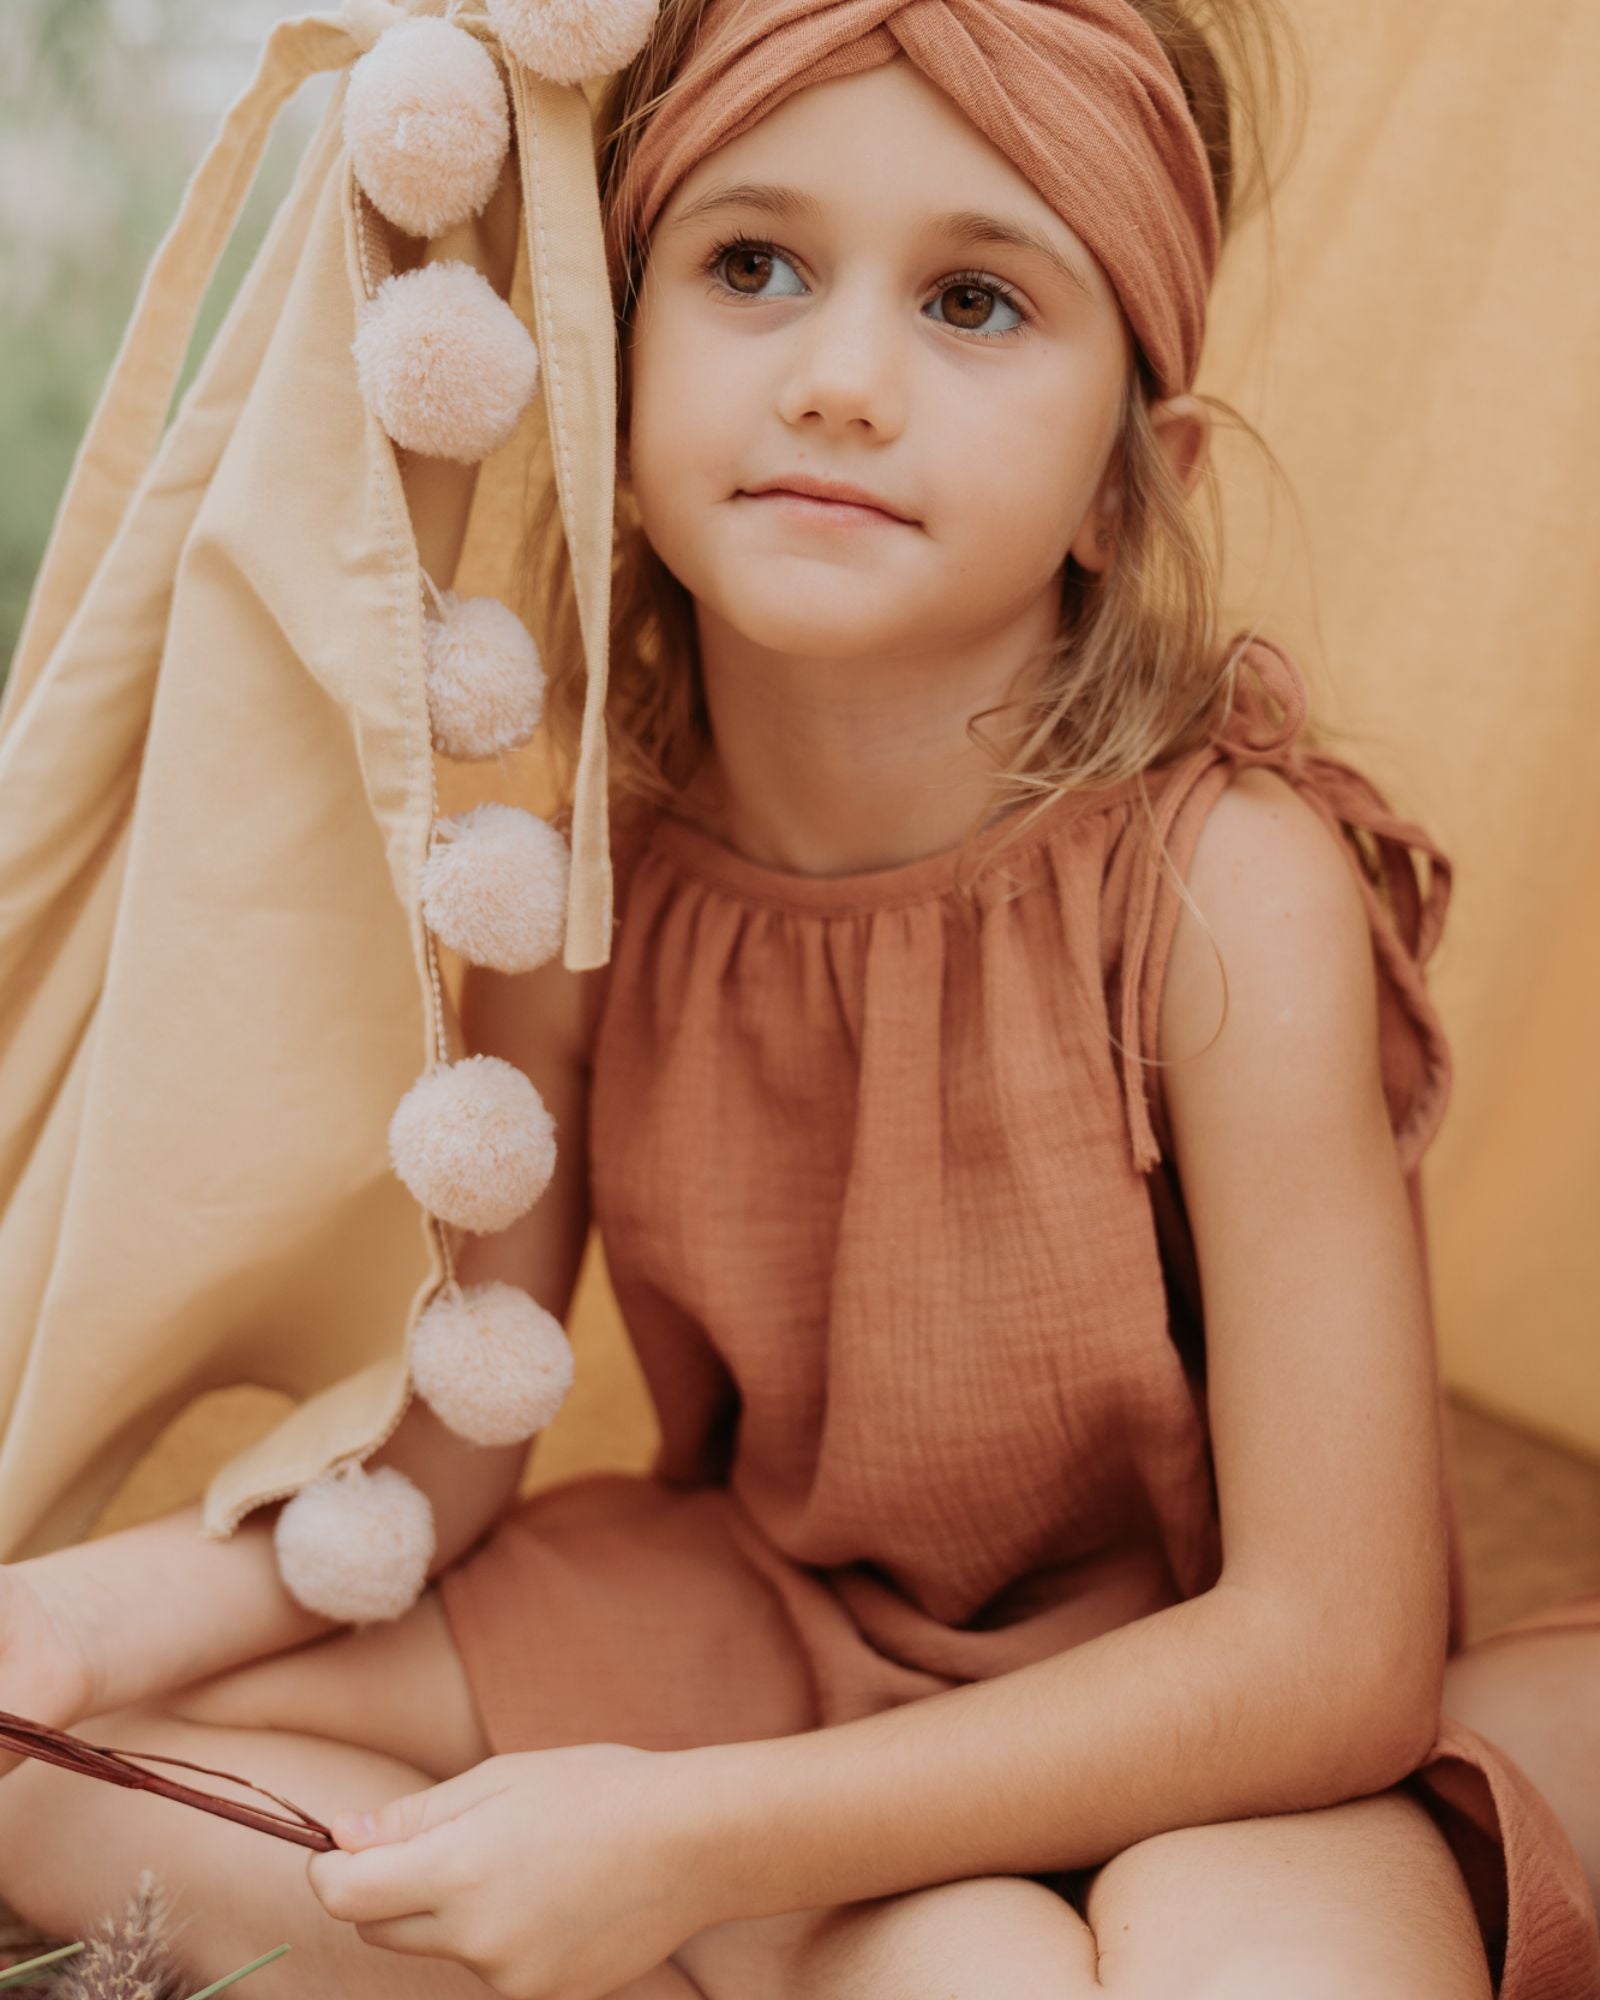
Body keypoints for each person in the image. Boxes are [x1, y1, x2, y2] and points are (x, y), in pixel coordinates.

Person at [1, 2, 1597, 1996]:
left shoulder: (1222, 887)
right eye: (749, 266)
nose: (840, 381)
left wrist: (685, 1843)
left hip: (1201, 1707)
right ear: (605, 375)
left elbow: (1334, 1651)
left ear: (1129, 480)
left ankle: (777, 1927)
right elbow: (437, 1460)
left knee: (1257, 1969)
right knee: (37, 1780)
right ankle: (822, 1932)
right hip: (759, 1620)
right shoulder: (579, 881)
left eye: (973, 299)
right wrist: (63, 1624)